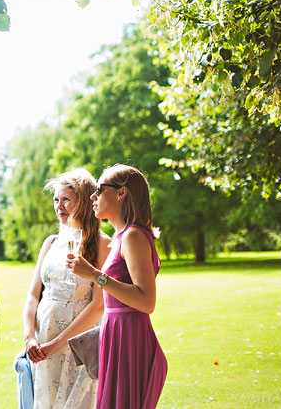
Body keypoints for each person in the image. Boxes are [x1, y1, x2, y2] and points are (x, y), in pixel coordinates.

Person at [68, 164, 167, 409]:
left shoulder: (133, 236)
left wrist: (94, 275)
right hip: (116, 335)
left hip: (130, 339)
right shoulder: (120, 238)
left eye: (99, 190)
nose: (93, 196)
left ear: (121, 193)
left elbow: (147, 302)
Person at [22, 168, 110, 408]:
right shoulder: (50, 242)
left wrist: (57, 343)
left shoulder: (103, 244)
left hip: (79, 344)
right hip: (43, 339)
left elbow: (99, 305)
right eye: (56, 200)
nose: (59, 206)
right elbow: (33, 295)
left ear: (83, 201)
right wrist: (30, 337)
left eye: (66, 199)